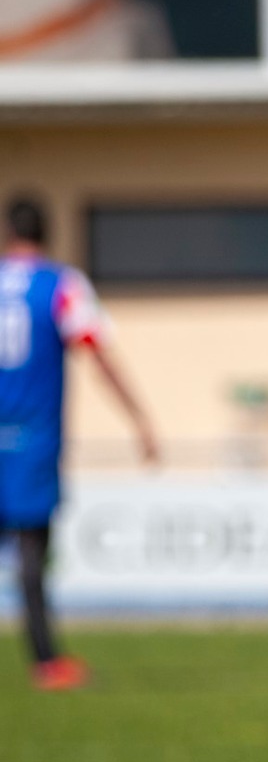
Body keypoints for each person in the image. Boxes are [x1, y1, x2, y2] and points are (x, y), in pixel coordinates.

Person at [0, 195, 157, 689]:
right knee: (30, 552)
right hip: (31, 437)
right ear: (47, 233)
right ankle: (46, 662)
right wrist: (139, 419)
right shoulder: (59, 285)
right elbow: (97, 352)